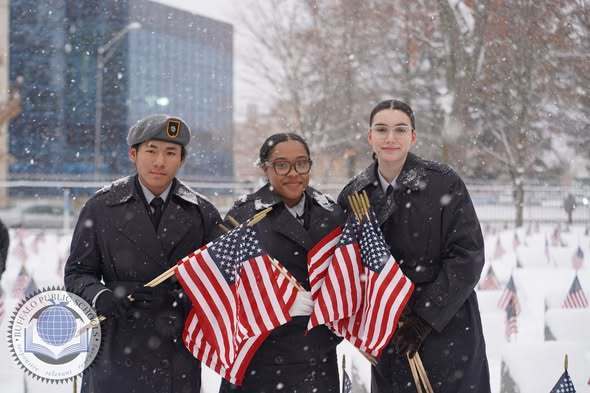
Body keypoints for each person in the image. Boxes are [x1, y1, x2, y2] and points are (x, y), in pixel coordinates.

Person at [338, 100, 490, 393]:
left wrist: (424, 318)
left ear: (413, 136)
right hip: (389, 332)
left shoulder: (444, 184)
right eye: (381, 129)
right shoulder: (354, 194)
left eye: (400, 129)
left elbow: (467, 257)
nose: (390, 138)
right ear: (370, 136)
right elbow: (347, 264)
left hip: (448, 327)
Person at [65, 114, 221, 393]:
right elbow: (77, 273)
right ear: (133, 154)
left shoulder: (202, 213)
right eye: (151, 151)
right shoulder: (101, 207)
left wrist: (177, 299)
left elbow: (219, 281)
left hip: (176, 354)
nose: (160, 162)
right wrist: (104, 296)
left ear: (181, 159)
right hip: (114, 351)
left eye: (170, 153)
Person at [219, 133, 345, 393]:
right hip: (262, 357)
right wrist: (279, 301)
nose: (293, 173)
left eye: (301, 163)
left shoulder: (332, 213)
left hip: (317, 357)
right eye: (281, 165)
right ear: (265, 168)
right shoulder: (243, 215)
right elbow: (224, 285)